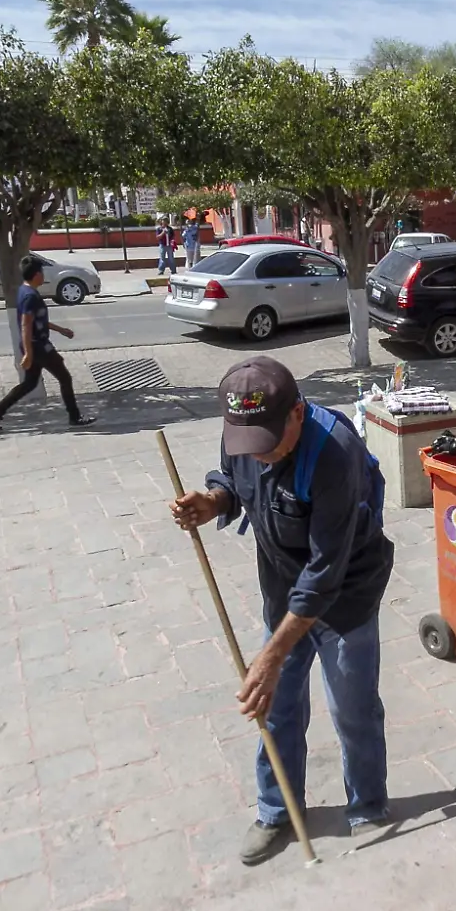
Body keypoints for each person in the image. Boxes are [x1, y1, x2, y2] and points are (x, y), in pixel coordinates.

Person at [167, 357, 393, 865]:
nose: (260, 454)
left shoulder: (335, 452)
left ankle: (368, 806)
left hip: (345, 595)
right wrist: (214, 501)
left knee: (352, 708)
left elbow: (324, 575)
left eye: (269, 441)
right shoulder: (245, 433)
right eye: (250, 443)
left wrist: (270, 655)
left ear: (298, 411)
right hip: (281, 590)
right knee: (279, 708)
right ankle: (277, 811)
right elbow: (232, 478)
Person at [0, 255, 96, 431]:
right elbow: (25, 324)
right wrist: (29, 353)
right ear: (36, 274)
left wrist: (60, 330)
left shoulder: (25, 291)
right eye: (42, 272)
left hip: (35, 345)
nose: (44, 275)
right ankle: (75, 417)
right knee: (65, 378)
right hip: (38, 346)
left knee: (29, 384)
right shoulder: (30, 296)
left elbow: (37, 320)